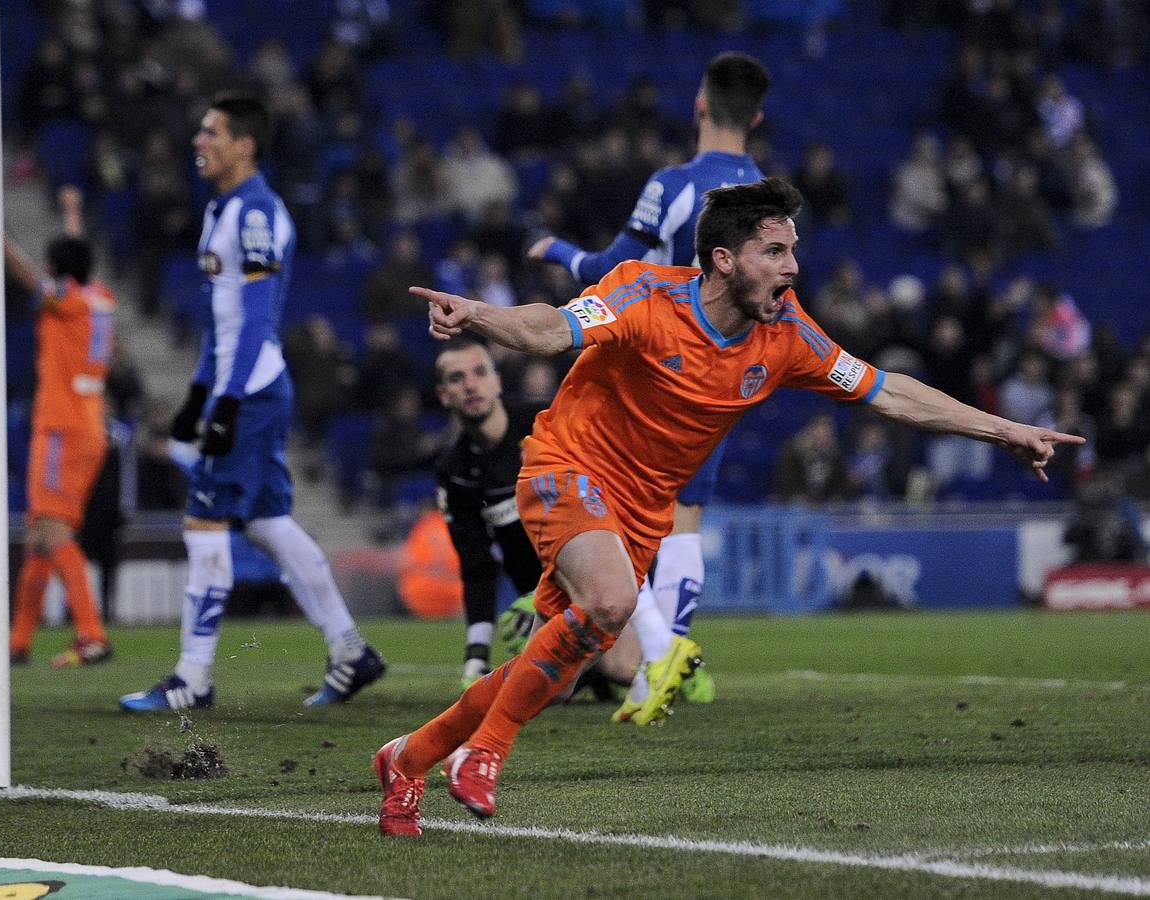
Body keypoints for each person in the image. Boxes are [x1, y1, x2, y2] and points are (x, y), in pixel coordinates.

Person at [374, 177, 1083, 834]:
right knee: (613, 602)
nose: (792, 268)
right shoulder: (645, 296)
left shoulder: (789, 337)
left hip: (645, 513)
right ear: (722, 259)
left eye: (793, 251)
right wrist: (479, 315)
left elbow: (888, 390)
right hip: (568, 467)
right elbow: (551, 328)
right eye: (774, 252)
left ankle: (410, 756)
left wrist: (1004, 429)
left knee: (556, 675)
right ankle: (483, 754)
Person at [120, 92, 386, 712]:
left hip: (255, 389)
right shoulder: (221, 209)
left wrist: (230, 402)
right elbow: (224, 318)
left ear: (245, 144)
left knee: (204, 521)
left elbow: (261, 315)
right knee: (268, 523)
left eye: (211, 132)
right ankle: (350, 650)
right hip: (242, 385)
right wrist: (196, 391)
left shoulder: (257, 211)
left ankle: (193, 678)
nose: (198, 142)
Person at [527, 51, 772, 721]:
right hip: (722, 373)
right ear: (756, 116)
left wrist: (555, 252)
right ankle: (660, 668)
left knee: (618, 514)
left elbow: (613, 265)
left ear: (699, 105)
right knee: (685, 519)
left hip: (651, 369)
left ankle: (648, 658)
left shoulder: (670, 185)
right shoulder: (769, 199)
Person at [433, 337, 639, 692]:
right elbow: (477, 567)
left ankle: (666, 650)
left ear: (497, 381)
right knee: (547, 684)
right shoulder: (455, 472)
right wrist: (476, 657)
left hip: (601, 568)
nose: (470, 385)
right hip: (543, 598)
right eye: (456, 378)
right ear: (443, 395)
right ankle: (588, 669)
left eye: (479, 373)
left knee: (623, 668)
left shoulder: (545, 421)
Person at [6, 186, 117, 669]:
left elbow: (31, 276)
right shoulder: (100, 297)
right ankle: (17, 642)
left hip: (59, 429)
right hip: (90, 427)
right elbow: (75, 260)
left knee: (52, 531)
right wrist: (72, 211)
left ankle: (91, 633)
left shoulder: (64, 301)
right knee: (39, 535)